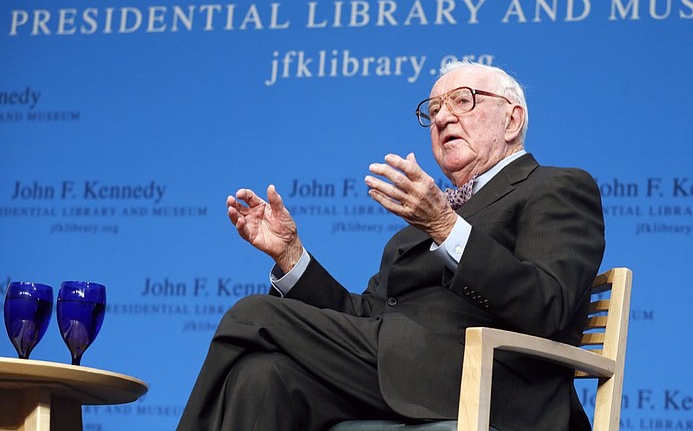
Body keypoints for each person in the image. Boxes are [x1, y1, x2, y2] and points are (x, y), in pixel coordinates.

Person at [177, 60, 605, 431]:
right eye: (433, 109)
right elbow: (365, 317)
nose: (441, 118)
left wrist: (444, 225)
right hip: (397, 370)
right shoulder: (416, 227)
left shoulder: (556, 187)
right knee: (262, 376)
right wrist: (290, 255)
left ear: (511, 120)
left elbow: (548, 305)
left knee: (252, 314)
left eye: (463, 101)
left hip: (488, 383)